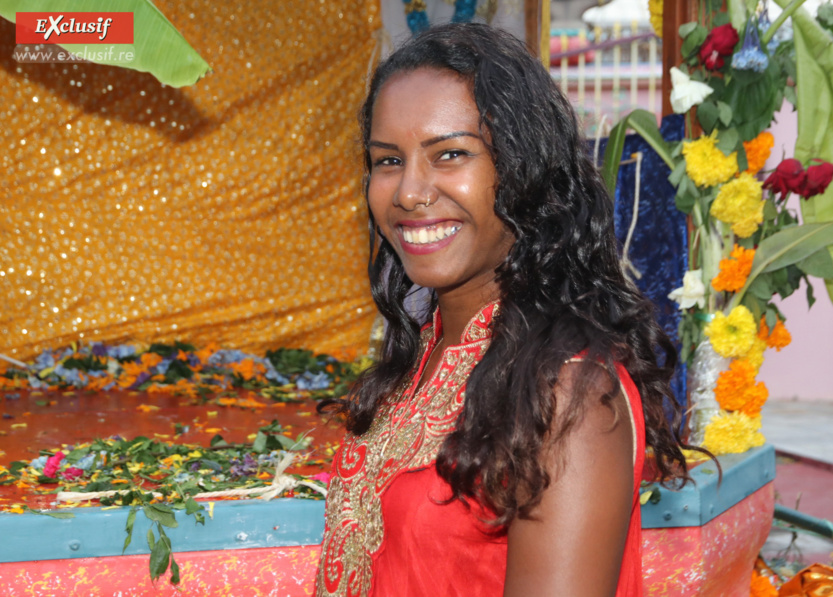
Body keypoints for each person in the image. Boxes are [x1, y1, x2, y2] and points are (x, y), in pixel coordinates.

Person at [316, 23, 690, 597]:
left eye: (451, 154)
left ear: (524, 170)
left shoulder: (570, 392)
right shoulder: (423, 357)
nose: (410, 192)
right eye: (388, 161)